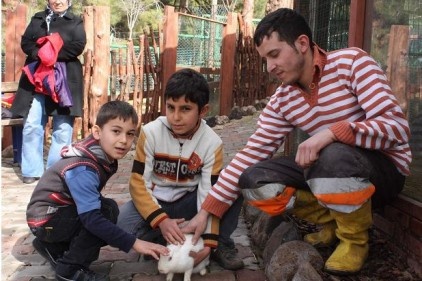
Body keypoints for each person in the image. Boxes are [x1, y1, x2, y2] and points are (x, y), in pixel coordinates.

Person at [182, 8, 412, 276]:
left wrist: (331, 133)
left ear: (302, 43)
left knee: (333, 154)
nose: (270, 67)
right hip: (331, 168)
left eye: (274, 54)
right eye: (265, 59)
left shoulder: (352, 63)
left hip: (383, 173)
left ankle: (354, 241)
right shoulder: (284, 100)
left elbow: (397, 128)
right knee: (254, 179)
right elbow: (250, 154)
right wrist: (207, 213)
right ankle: (335, 221)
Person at [117, 68, 244, 270]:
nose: (175, 117)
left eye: (185, 109)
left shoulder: (212, 142)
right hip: (157, 201)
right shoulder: (150, 133)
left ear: (203, 111)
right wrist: (162, 221)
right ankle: (166, 240)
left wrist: (208, 245)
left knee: (232, 188)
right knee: (122, 223)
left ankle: (220, 243)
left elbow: (208, 193)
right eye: (170, 107)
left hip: (191, 204)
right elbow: (137, 182)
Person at [26, 101, 169, 281]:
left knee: (107, 207)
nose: (124, 140)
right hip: (45, 219)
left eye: (130, 134)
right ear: (97, 132)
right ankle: (70, 270)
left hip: (49, 217)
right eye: (116, 131)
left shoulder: (100, 156)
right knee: (104, 213)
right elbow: (92, 219)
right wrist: (134, 243)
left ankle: (53, 248)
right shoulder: (83, 168)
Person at [11, 0, 86, 184]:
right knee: (32, 124)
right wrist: (41, 54)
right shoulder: (38, 18)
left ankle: (54, 171)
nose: (57, 1)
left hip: (65, 80)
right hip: (36, 79)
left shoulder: (75, 21)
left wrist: (51, 53)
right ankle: (31, 170)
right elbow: (26, 42)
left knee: (62, 127)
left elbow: (77, 46)